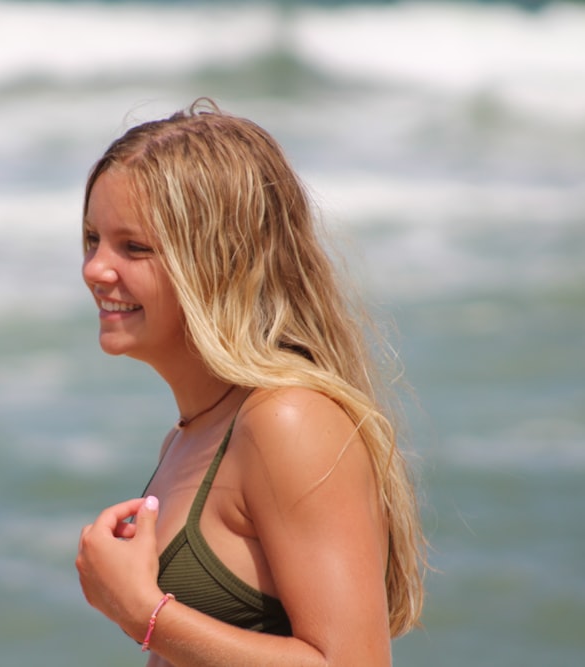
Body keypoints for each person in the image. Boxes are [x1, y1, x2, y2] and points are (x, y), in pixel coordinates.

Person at [75, 99, 425, 666]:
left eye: (133, 247)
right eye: (93, 239)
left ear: (219, 262)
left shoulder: (288, 421)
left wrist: (142, 613)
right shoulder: (189, 436)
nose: (95, 268)